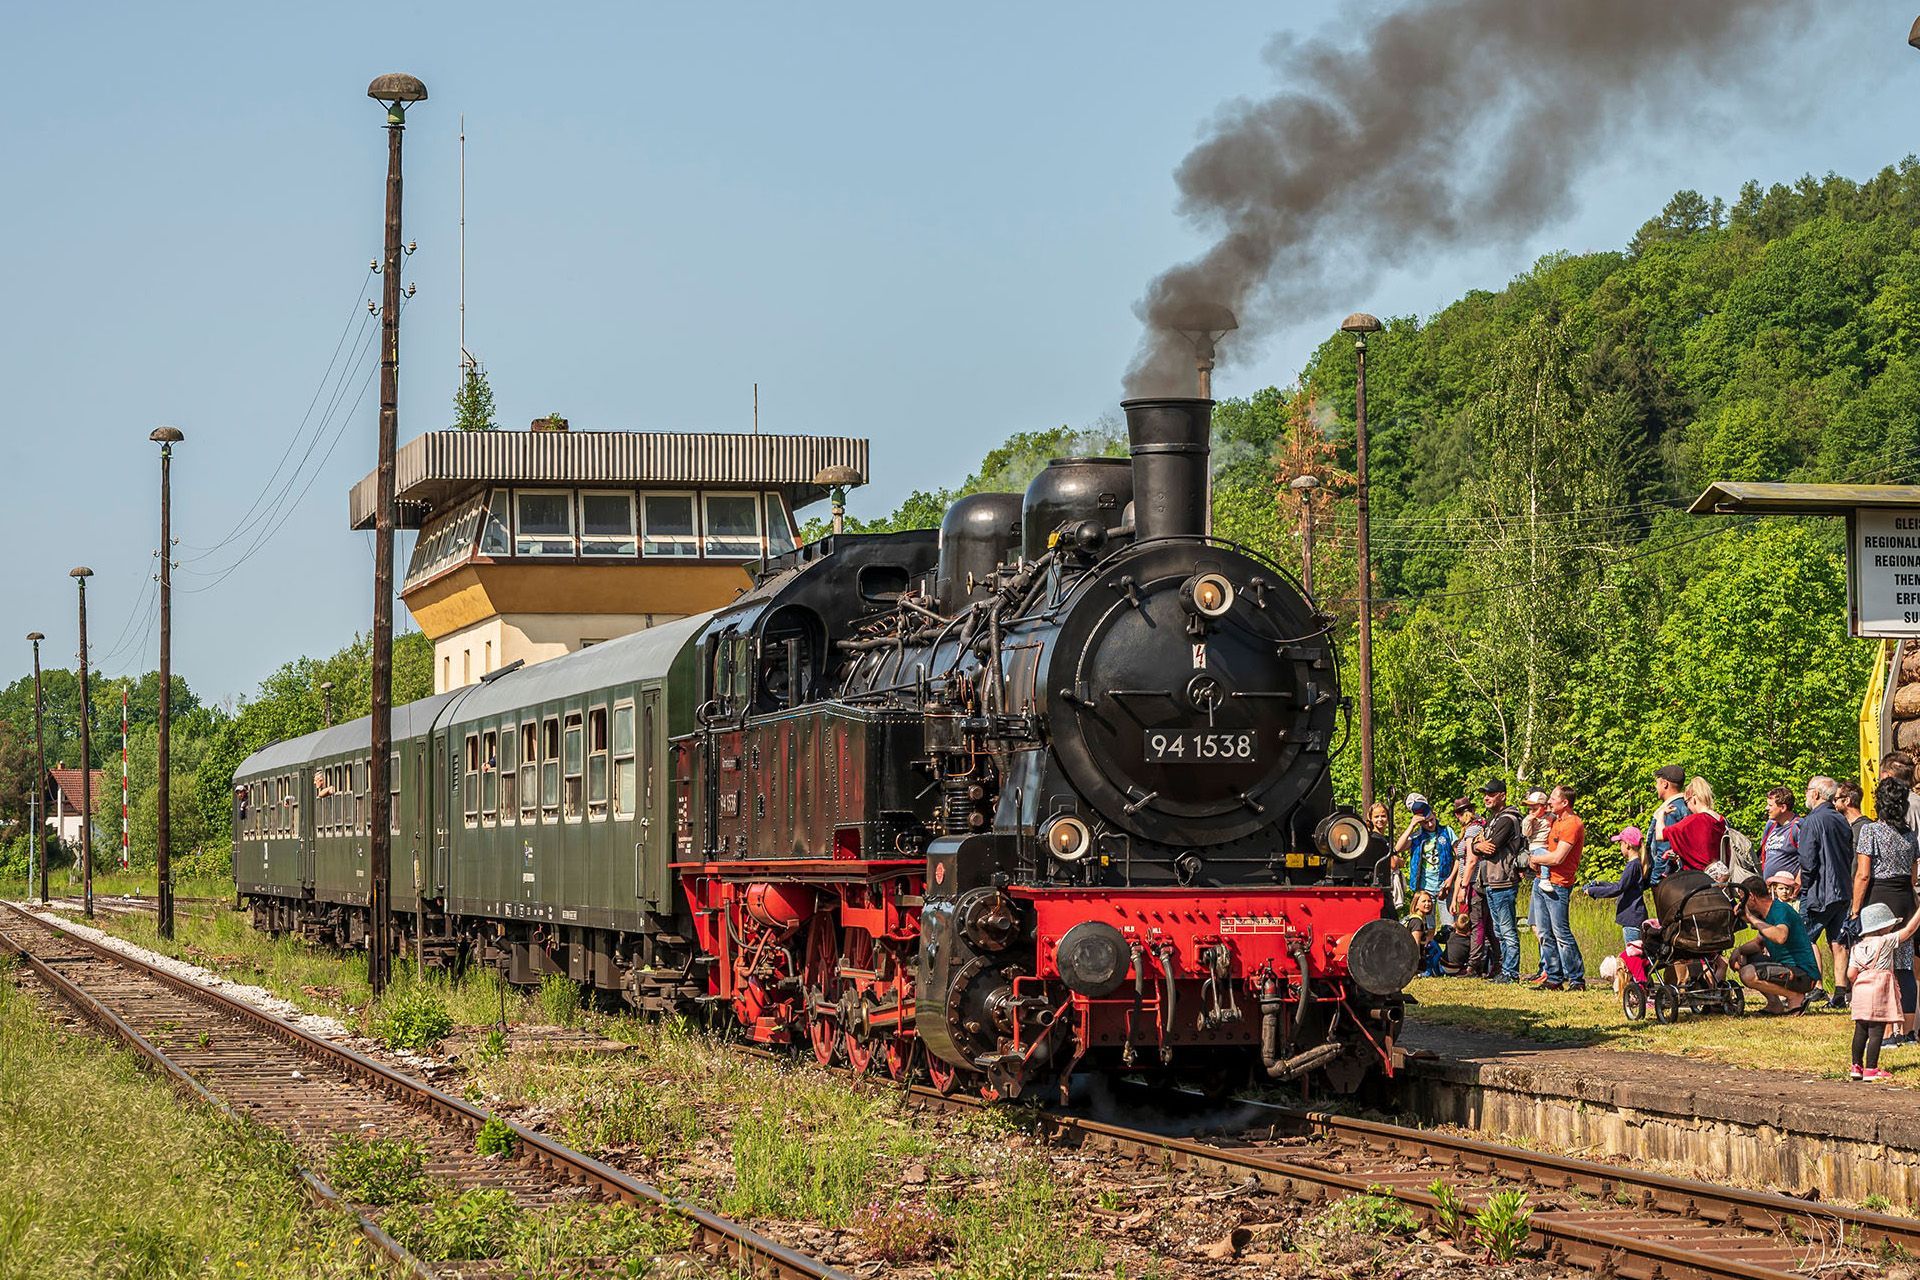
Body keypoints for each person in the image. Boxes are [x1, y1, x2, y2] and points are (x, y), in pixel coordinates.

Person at [1853, 778, 1920, 1046]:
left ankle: (1886, 1030)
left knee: (1880, 964)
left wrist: (1855, 909)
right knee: (1904, 964)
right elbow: (1913, 874)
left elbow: (1863, 874)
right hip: (1905, 896)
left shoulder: (1871, 832)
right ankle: (1906, 1029)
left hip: (1880, 898)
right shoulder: (1910, 835)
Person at [1847, 903, 1920, 1081]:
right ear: (1882, 927)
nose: (1892, 927)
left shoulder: (1857, 947)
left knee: (1860, 1030)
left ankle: (1856, 1066)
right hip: (1878, 991)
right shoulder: (1885, 942)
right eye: (1890, 925)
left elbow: (1850, 974)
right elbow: (1909, 930)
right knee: (1876, 1031)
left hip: (1861, 991)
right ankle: (1871, 1068)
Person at [1799, 775, 1854, 1009]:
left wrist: (1804, 886)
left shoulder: (1812, 821)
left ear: (1817, 794)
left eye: (1807, 790)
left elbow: (1808, 859)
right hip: (1842, 890)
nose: (1805, 795)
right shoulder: (1842, 819)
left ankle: (1815, 986)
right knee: (1838, 941)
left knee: (1803, 937)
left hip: (1819, 892)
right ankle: (1840, 991)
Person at [1733, 874, 1820, 1014]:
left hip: (1802, 974)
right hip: (1786, 969)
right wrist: (1738, 951)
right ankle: (1775, 1004)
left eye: (1742, 899)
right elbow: (1758, 944)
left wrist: (1750, 917)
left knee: (1747, 974)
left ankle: (1795, 997)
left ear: (1751, 897)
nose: (1741, 904)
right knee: (1742, 961)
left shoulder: (1780, 910)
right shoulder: (1767, 914)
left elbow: (1780, 936)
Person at [1528, 784, 1587, 991]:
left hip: (1558, 884)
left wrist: (1534, 858)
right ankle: (1553, 977)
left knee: (1561, 932)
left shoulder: (1572, 824)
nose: (1550, 801)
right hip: (1541, 880)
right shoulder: (1555, 821)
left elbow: (1558, 857)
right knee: (1544, 932)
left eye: (1553, 798)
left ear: (1565, 802)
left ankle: (1577, 979)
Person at [1470, 780, 1525, 984]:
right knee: (1499, 930)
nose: (1486, 797)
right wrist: (1477, 845)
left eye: (1491, 794)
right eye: (1485, 793)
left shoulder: (1507, 819)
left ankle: (1511, 972)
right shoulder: (1493, 819)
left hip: (1503, 880)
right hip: (1491, 880)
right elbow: (1476, 846)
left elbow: (1491, 847)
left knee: (1507, 929)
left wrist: (1479, 845)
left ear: (1502, 795)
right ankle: (1504, 969)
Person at [1449, 797, 1496, 977]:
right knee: (1485, 924)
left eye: (1459, 814)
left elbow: (1470, 861)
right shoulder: (1473, 828)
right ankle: (1493, 962)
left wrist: (1463, 886)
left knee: (1477, 924)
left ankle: (1474, 964)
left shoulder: (1473, 829)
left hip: (1474, 882)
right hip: (1473, 881)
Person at [1396, 793, 1455, 929]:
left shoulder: (1447, 831)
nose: (1429, 824)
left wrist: (1451, 879)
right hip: (1425, 889)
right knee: (1427, 927)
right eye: (1424, 822)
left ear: (1434, 815)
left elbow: (1459, 856)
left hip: (1444, 886)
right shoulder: (1416, 836)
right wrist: (1412, 825)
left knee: (1449, 925)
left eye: (1431, 820)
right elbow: (1397, 848)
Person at [1584, 827, 1650, 945]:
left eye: (1620, 843)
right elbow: (1622, 885)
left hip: (1631, 920)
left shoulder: (1632, 866)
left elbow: (1618, 889)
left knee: (1633, 957)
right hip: (1635, 917)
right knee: (1638, 955)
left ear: (1627, 845)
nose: (1620, 847)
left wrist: (1593, 891)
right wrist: (1600, 884)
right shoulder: (1636, 864)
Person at [1521, 789, 1553, 981]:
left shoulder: (1553, 820)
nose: (1532, 810)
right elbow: (1526, 835)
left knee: (1544, 927)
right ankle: (1544, 966)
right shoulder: (1530, 820)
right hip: (1537, 869)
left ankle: (1548, 968)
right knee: (1535, 925)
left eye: (1535, 807)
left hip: (1544, 869)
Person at [1759, 787, 1802, 896]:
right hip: (1771, 891)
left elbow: (1808, 858)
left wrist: (1798, 883)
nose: (1766, 808)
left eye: (1770, 805)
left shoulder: (1798, 827)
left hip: (1788, 893)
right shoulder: (1770, 825)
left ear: (1782, 807)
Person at [1650, 765, 1690, 883]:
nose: (1656, 787)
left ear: (1664, 784)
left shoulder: (1670, 810)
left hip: (1668, 877)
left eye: (1657, 783)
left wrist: (1655, 877)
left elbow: (1665, 849)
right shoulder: (1686, 806)